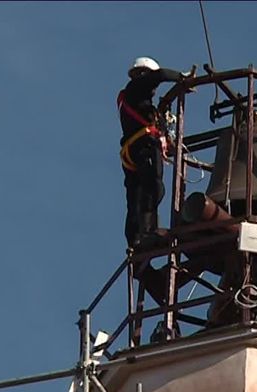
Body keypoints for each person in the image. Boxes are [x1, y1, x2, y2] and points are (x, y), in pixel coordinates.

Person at [117, 56, 185, 304]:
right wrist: (181, 77)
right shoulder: (136, 89)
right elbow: (157, 76)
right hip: (143, 148)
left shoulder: (141, 102)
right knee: (153, 188)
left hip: (136, 150)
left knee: (137, 195)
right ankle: (145, 235)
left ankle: (137, 242)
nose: (155, 88)